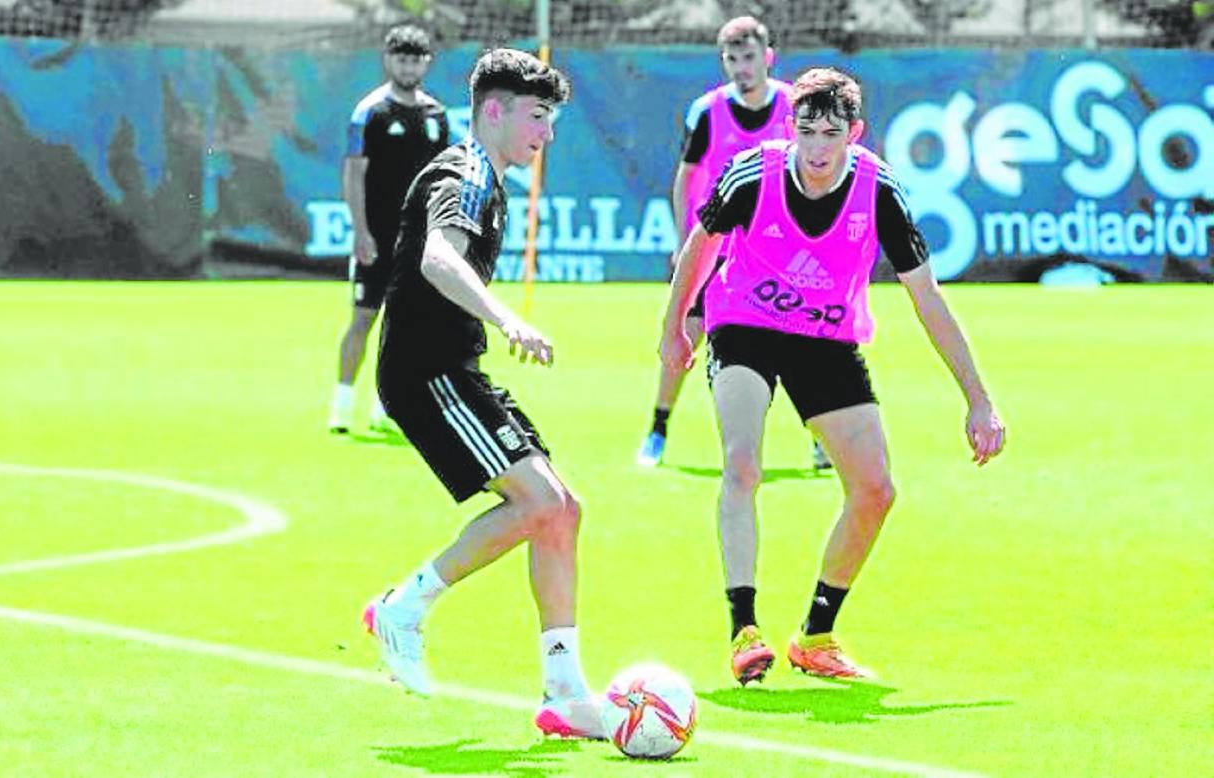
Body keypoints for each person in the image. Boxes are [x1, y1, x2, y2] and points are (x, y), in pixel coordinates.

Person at [659, 66, 1006, 685]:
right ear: (790, 128)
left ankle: (815, 635)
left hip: (825, 337)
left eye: (832, 134)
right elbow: (701, 245)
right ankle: (745, 629)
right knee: (742, 464)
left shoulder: (878, 191)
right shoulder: (753, 173)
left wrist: (978, 399)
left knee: (876, 490)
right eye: (808, 131)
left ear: (856, 132)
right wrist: (677, 324)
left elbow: (928, 298)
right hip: (743, 321)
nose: (818, 149)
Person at [359, 49, 603, 739]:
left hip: (456, 369)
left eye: (551, 120)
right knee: (541, 502)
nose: (546, 134)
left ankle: (565, 691)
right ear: (492, 110)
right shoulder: (465, 172)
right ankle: (402, 609)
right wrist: (507, 316)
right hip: (426, 373)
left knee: (561, 513)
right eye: (536, 116)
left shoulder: (488, 179)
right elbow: (439, 256)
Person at [635, 16, 830, 471]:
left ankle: (821, 440)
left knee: (801, 338)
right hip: (716, 244)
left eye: (748, 57)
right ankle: (658, 430)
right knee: (686, 335)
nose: (741, 67)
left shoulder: (792, 107)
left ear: (768, 57)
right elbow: (686, 178)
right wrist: (687, 241)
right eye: (731, 58)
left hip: (776, 250)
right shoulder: (706, 111)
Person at [328, 25, 450, 433]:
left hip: (417, 240)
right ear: (388, 60)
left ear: (426, 63)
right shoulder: (371, 112)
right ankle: (341, 408)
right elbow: (354, 174)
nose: (408, 66)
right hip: (377, 238)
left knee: (405, 326)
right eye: (401, 58)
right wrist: (360, 231)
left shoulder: (436, 115)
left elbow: (441, 180)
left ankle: (386, 411)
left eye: (416, 59)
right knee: (363, 318)